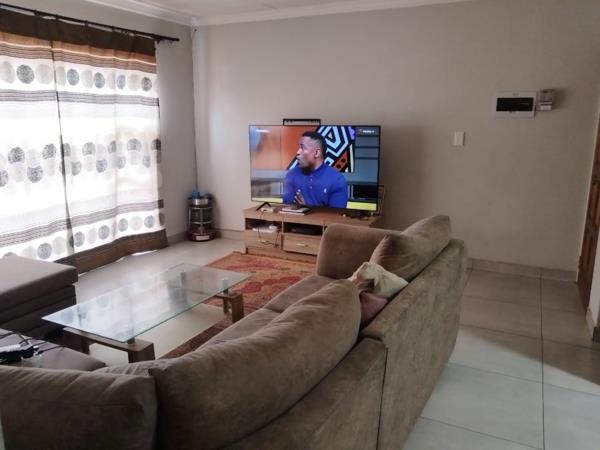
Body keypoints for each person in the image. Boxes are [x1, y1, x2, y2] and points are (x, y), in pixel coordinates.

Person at [283, 131, 348, 208]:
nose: (298, 152)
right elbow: (286, 210)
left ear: (316, 153)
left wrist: (308, 209)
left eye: (302, 148)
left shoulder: (337, 180)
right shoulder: (291, 175)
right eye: (299, 148)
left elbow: (336, 214)